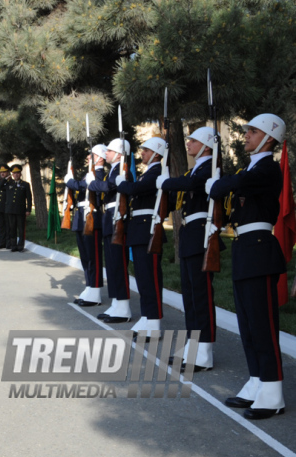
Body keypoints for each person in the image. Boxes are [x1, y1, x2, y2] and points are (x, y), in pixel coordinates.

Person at [206, 114, 287, 420]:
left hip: (259, 251)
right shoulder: (251, 167)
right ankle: (257, 382)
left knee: (263, 326)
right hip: (244, 250)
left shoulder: (267, 168)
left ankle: (273, 391)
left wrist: (218, 183)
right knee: (249, 326)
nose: (246, 136)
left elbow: (233, 185)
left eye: (252, 132)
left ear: (268, 138)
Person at [157, 127, 220, 371]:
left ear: (205, 146)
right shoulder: (194, 168)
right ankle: (193, 345)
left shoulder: (209, 169)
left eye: (193, 140)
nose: (189, 143)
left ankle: (204, 351)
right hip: (190, 235)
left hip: (203, 235)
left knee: (201, 296)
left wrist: (168, 182)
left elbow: (192, 183)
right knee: (191, 296)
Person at [116, 137, 166, 337]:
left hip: (148, 231)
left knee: (150, 278)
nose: (142, 153)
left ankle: (154, 323)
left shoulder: (158, 172)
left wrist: (123, 183)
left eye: (146, 150)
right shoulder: (149, 173)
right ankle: (147, 317)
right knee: (144, 278)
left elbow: (136, 190)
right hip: (140, 230)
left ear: (156, 153)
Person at [87, 139, 132, 323]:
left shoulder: (122, 170)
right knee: (112, 265)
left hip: (117, 219)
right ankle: (116, 303)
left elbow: (107, 187)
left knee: (118, 264)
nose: (106, 153)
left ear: (120, 155)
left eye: (110, 151)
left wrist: (92, 183)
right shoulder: (113, 170)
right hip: (109, 218)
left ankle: (123, 307)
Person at [67, 145, 107, 306]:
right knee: (85, 257)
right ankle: (90, 286)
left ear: (100, 158)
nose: (88, 158)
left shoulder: (100, 174)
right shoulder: (89, 174)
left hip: (92, 218)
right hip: (81, 217)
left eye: (92, 156)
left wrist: (70, 181)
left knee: (93, 257)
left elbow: (84, 186)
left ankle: (95, 289)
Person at [5, 164, 32, 252]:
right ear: (12, 174)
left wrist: (28, 209)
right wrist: (6, 178)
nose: (16, 175)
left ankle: (20, 246)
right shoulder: (8, 184)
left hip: (20, 210)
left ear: (20, 174)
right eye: (14, 173)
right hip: (11, 210)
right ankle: (13, 245)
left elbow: (29, 198)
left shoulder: (25, 184)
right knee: (12, 228)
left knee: (21, 229)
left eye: (17, 173)